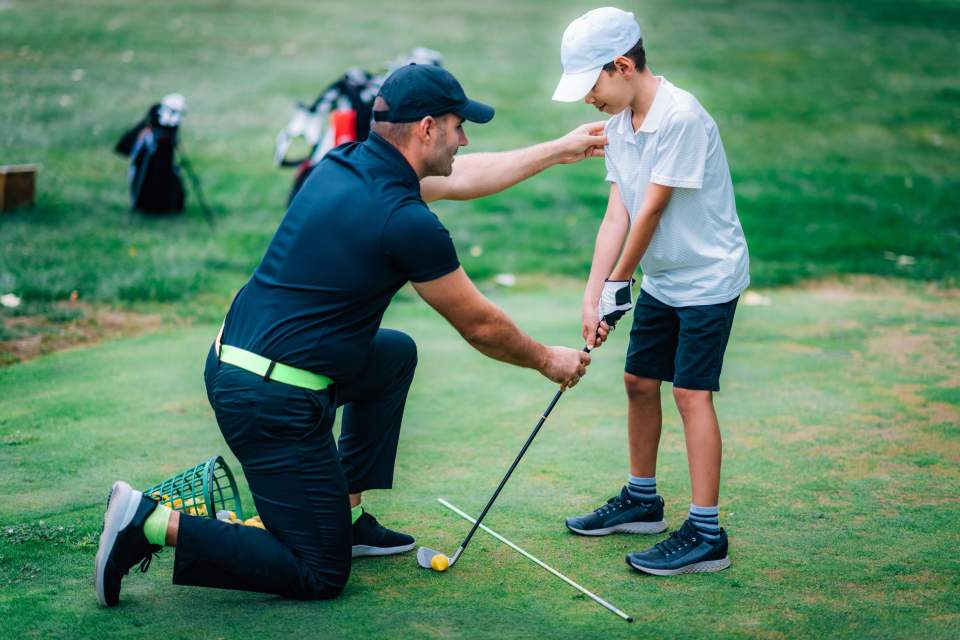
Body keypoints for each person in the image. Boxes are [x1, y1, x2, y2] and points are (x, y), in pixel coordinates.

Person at [95, 63, 605, 606]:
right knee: (319, 572)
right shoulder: (405, 220)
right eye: (459, 126)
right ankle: (148, 522)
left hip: (243, 362)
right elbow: (480, 325)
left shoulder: (344, 164)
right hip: (269, 403)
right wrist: (547, 359)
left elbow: (465, 175)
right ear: (427, 128)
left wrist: (556, 150)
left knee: (392, 355)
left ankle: (348, 513)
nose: (465, 138)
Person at [552, 7, 750, 575]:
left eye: (592, 85)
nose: (589, 98)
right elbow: (619, 213)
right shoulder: (620, 125)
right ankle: (642, 501)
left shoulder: (681, 117)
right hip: (665, 277)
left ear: (621, 65)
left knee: (691, 395)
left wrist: (619, 283)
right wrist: (594, 294)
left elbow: (653, 210)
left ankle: (708, 534)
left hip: (708, 278)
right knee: (639, 380)